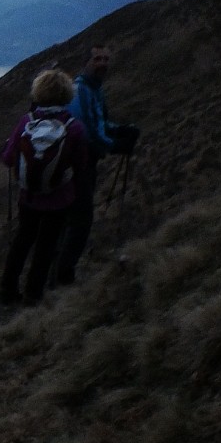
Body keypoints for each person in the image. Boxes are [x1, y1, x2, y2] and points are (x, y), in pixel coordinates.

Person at [0, 69, 88, 305]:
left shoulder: (26, 123)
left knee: (22, 241)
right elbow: (81, 167)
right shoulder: (74, 127)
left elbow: (8, 159)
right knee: (46, 247)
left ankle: (7, 291)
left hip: (28, 197)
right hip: (59, 199)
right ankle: (33, 295)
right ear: (67, 95)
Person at [55, 44, 139, 285]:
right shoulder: (82, 90)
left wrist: (121, 130)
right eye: (97, 59)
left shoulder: (93, 90)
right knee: (80, 219)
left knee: (68, 218)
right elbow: (89, 132)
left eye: (106, 59)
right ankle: (62, 277)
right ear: (87, 63)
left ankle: (56, 273)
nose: (103, 63)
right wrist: (115, 146)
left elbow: (100, 123)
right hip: (77, 164)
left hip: (80, 163)